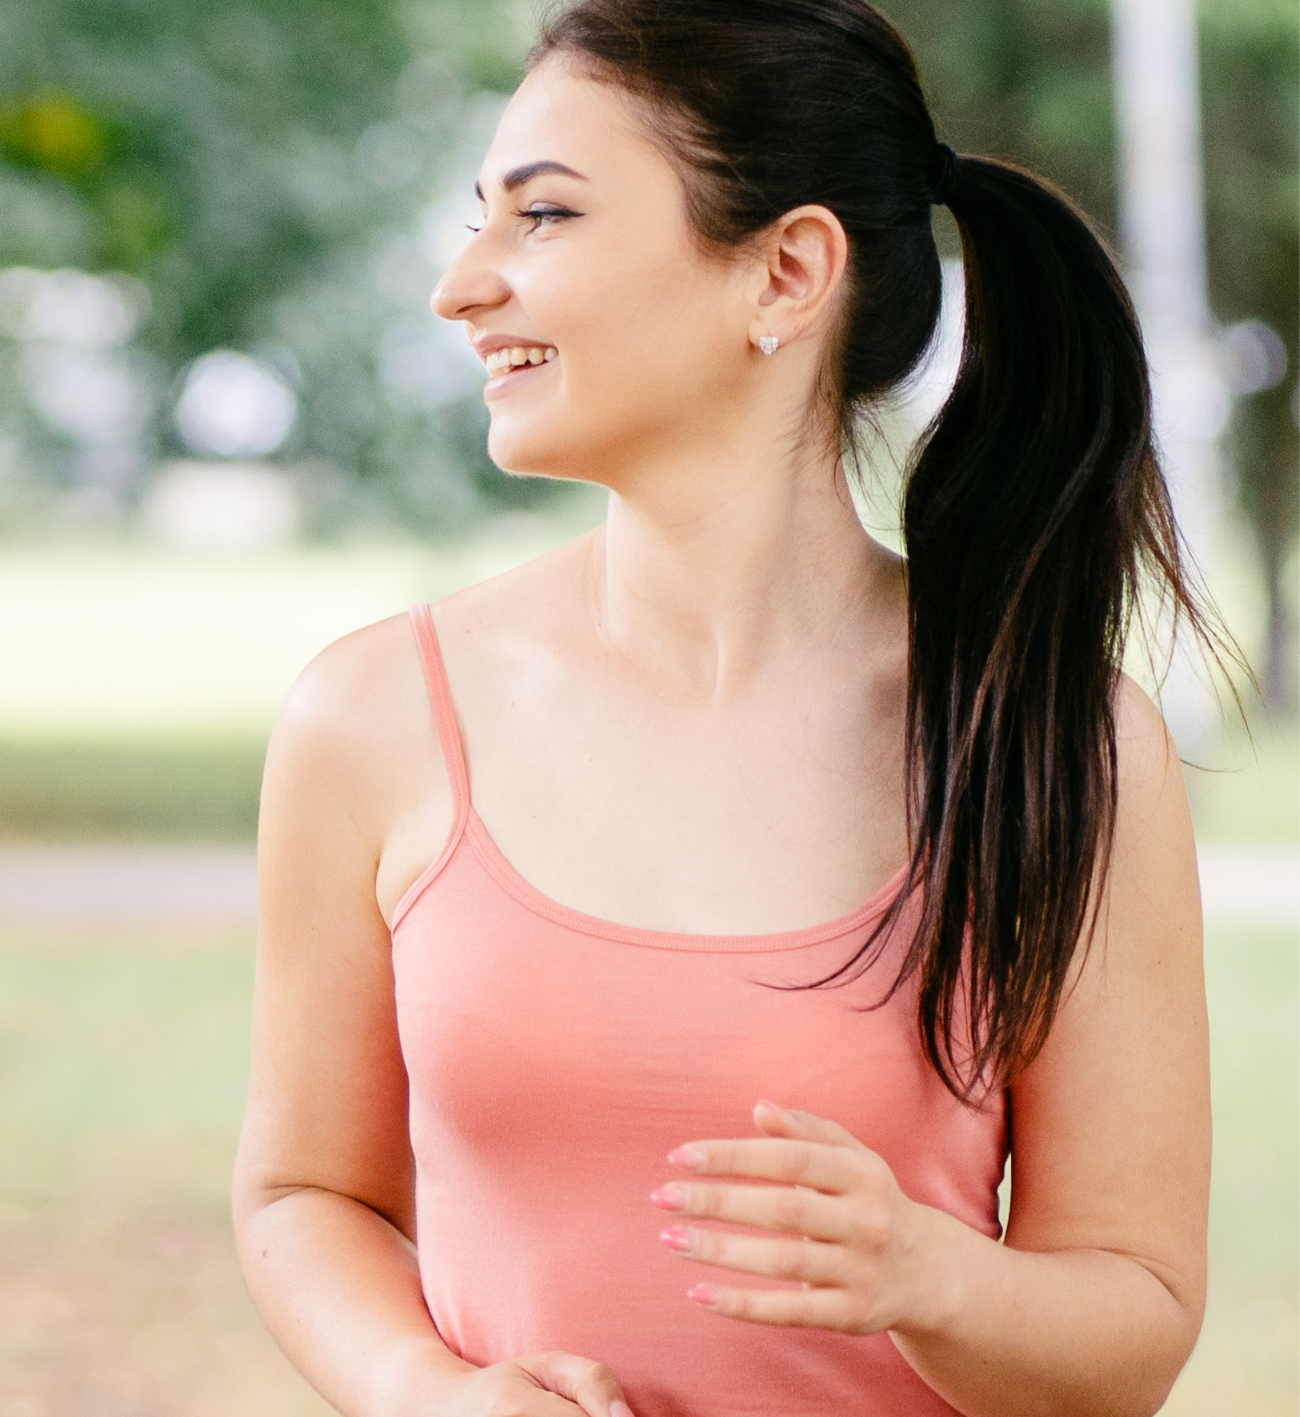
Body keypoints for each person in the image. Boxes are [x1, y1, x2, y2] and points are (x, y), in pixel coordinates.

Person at [233, 2, 1214, 1415]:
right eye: (478, 219)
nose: (461, 286)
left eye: (544, 217)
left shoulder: (1055, 738)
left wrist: (928, 1276)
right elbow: (303, 1194)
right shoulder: (369, 717)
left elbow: (1134, 1322)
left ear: (784, 273)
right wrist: (425, 1392)